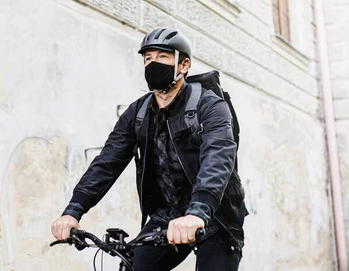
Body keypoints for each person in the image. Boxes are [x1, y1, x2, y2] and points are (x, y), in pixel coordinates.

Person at [51, 28, 248, 271]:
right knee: (134, 266)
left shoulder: (209, 105)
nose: (153, 63)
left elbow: (218, 158)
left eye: (163, 57)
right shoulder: (138, 112)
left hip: (215, 215)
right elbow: (107, 162)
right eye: (148, 58)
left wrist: (198, 212)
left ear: (184, 64)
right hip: (166, 217)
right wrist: (73, 211)